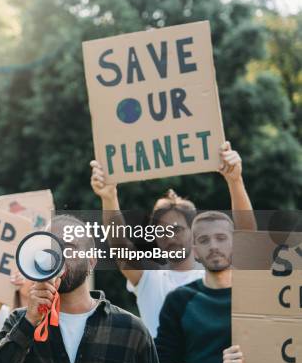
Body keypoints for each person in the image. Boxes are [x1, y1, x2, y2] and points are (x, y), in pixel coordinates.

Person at [90, 141, 256, 337]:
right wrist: (109, 198)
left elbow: (248, 238)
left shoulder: (218, 273)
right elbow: (120, 248)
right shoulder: (149, 278)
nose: (170, 236)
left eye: (177, 229)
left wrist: (235, 181)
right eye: (162, 231)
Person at [0, 215, 161, 363]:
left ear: (91, 262)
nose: (59, 256)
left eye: (69, 247)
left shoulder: (131, 330)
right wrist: (28, 323)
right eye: (52, 248)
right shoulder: (19, 321)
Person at [155, 211, 245, 363]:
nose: (213, 246)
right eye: (204, 240)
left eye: (221, 238)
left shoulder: (256, 297)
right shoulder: (178, 300)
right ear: (195, 251)